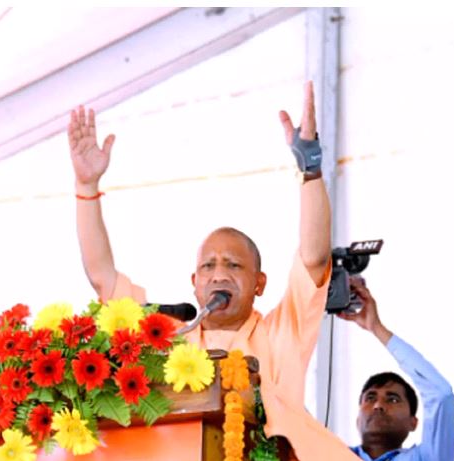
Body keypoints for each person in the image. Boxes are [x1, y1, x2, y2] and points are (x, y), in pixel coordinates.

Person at [67, 82, 358, 461]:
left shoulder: (281, 333)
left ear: (259, 283)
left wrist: (311, 169)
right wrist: (86, 186)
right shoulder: (170, 339)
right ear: (194, 283)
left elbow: (314, 258)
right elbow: (102, 277)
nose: (218, 274)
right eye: (208, 266)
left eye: (233, 265)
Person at [338, 277, 454, 461]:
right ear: (357, 419)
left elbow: (440, 394)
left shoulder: (426, 457)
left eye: (393, 399)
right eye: (370, 398)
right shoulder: (329, 454)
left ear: (413, 422)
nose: (378, 406)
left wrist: (375, 327)